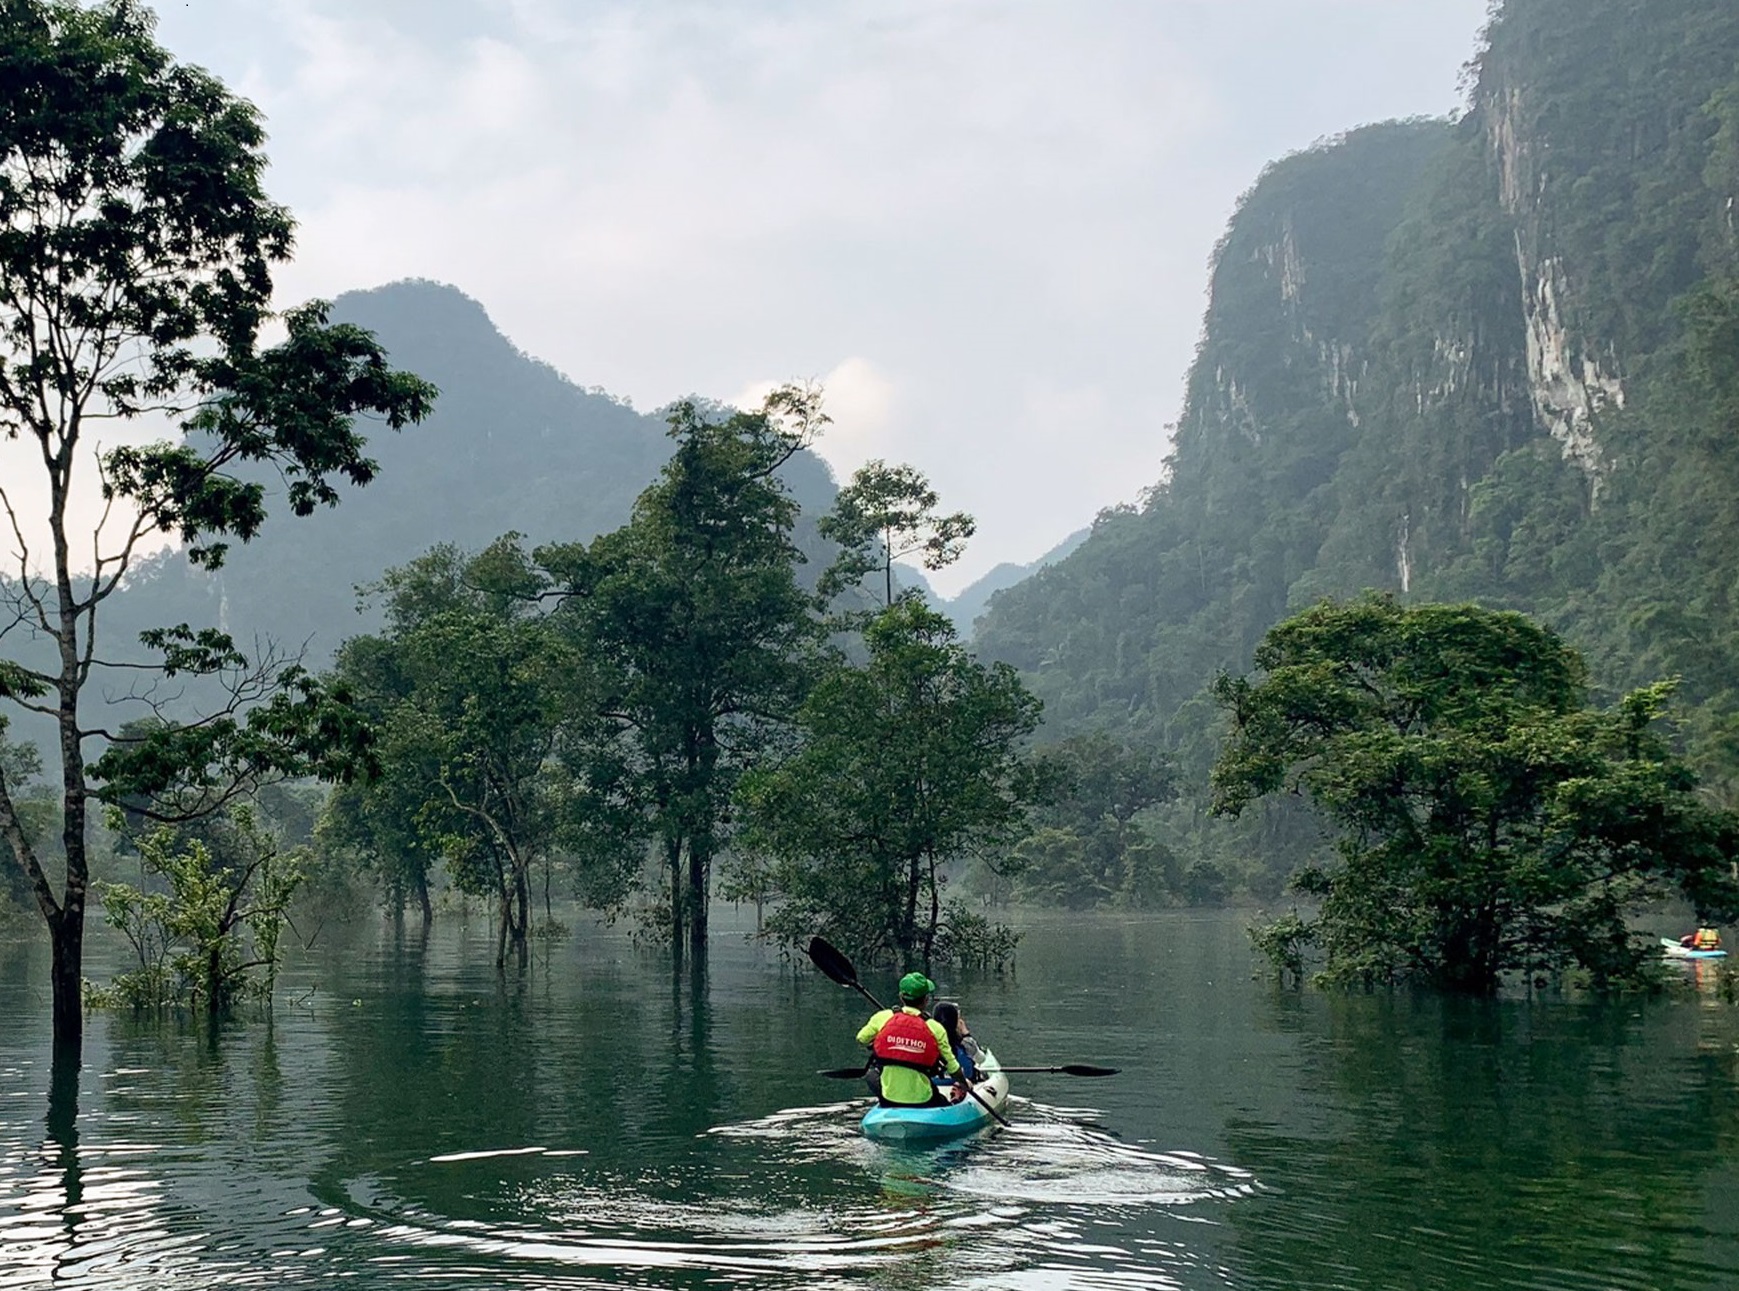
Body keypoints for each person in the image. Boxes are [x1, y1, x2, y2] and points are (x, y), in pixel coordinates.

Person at [856, 971, 971, 1107]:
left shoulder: (883, 1017)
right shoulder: (935, 1027)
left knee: (871, 1074)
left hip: (888, 1098)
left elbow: (861, 1039)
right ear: (926, 1000)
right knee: (943, 1101)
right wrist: (964, 1085)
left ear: (901, 996)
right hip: (923, 1100)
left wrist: (883, 1039)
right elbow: (953, 1068)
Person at [931, 1001, 982, 1083]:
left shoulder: (927, 1040)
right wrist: (967, 1034)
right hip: (963, 1086)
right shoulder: (965, 1043)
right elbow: (981, 1059)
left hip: (934, 1086)